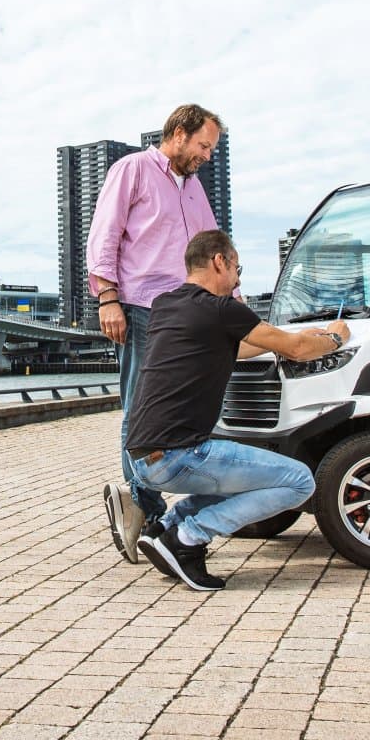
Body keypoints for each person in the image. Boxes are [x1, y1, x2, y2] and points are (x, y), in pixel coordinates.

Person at [125, 229, 349, 591]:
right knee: (298, 481)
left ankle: (164, 527)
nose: (238, 278)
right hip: (180, 456)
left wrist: (281, 344)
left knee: (250, 481)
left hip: (142, 461)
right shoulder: (221, 309)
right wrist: (336, 337)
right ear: (219, 261)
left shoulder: (167, 306)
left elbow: (233, 351)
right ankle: (187, 539)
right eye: (237, 268)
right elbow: (296, 349)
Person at [88, 103, 225, 563]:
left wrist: (234, 298)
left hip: (188, 312)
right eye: (204, 145)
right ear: (180, 133)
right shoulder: (132, 170)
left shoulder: (194, 189)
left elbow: (213, 248)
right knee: (140, 406)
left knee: (179, 407)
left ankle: (148, 506)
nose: (207, 155)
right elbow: (104, 236)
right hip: (141, 308)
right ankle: (144, 507)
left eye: (212, 148)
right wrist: (108, 299)